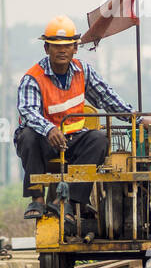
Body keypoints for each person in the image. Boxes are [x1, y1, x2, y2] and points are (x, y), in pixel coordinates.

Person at [15, 14, 136, 222]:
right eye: (55, 45)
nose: (62, 50)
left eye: (67, 45)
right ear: (46, 49)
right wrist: (49, 129)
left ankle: (67, 202)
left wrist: (137, 119)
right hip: (44, 142)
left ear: (75, 48)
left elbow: (108, 99)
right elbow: (28, 111)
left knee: (99, 140)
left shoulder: (83, 71)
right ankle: (38, 199)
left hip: (73, 139)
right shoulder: (33, 78)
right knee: (27, 136)